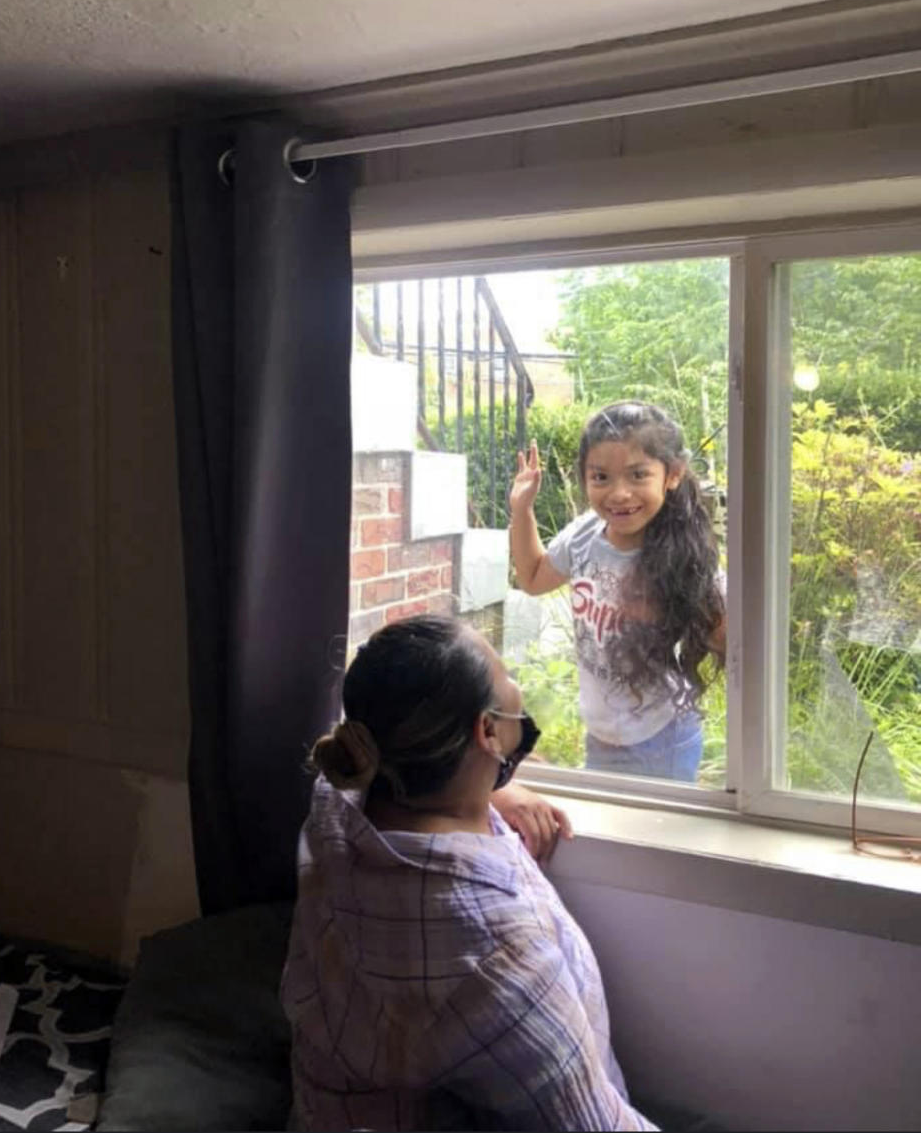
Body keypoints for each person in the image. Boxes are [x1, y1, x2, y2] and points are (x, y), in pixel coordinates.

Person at [281, 615, 656, 1132]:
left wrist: (491, 789)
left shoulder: (336, 810)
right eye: (505, 677)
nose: (516, 686)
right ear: (486, 732)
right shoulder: (499, 958)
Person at [509, 401, 725, 782]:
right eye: (601, 477)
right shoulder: (584, 535)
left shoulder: (684, 557)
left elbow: (729, 640)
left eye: (638, 475)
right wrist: (522, 509)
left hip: (663, 738)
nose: (619, 494)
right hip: (603, 734)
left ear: (672, 474)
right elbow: (533, 578)